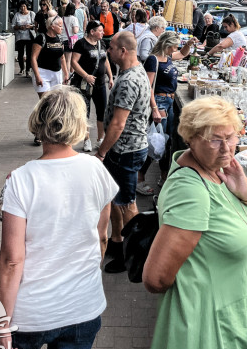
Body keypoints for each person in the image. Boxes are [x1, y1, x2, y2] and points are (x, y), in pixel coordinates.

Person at [142, 96, 247, 349]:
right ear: (191, 139)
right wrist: (198, 290)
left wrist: (244, 188)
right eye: (215, 140)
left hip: (236, 319)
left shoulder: (220, 172)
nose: (227, 148)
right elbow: (155, 278)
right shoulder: (192, 191)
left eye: (231, 137)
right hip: (209, 329)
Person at [0, 87, 118, 349]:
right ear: (79, 124)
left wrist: (1, 327)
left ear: (38, 124)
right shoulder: (97, 170)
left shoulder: (21, 180)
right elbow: (101, 236)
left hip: (30, 312)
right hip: (82, 307)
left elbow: (12, 260)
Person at [96, 31, 151, 274]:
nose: (108, 52)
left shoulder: (128, 81)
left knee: (128, 205)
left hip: (125, 150)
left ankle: (136, 257)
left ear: (123, 51)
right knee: (116, 200)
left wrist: (102, 151)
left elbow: (118, 124)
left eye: (112, 48)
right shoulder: (134, 71)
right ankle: (118, 243)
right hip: (127, 148)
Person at [137, 32, 193, 195]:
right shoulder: (153, 60)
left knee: (166, 142)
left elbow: (182, 54)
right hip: (160, 102)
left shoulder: (167, 57)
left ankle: (164, 176)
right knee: (156, 142)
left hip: (168, 102)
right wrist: (154, 108)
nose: (175, 49)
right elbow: (147, 87)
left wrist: (188, 44)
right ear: (167, 45)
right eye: (174, 46)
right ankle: (140, 178)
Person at [71, 20, 114, 152]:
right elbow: (74, 62)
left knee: (102, 111)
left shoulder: (101, 43)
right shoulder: (81, 44)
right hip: (85, 84)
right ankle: (86, 139)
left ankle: (100, 139)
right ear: (92, 32)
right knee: (85, 112)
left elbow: (105, 60)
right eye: (100, 31)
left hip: (100, 83)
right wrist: (86, 75)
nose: (103, 33)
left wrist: (110, 77)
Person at [31, 15, 68, 102]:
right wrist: (37, 76)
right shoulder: (41, 38)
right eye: (60, 26)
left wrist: (66, 74)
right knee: (46, 101)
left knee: (56, 101)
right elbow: (33, 58)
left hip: (57, 73)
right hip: (43, 72)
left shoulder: (59, 39)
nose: (62, 28)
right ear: (52, 26)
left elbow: (62, 57)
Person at [12, 0, 36, 76]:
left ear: (27, 6)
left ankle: (28, 70)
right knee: (20, 54)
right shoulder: (17, 15)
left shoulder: (31, 14)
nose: (23, 8)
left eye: (24, 6)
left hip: (29, 36)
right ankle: (22, 68)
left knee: (29, 54)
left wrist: (30, 26)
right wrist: (19, 27)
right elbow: (13, 26)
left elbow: (35, 25)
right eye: (21, 6)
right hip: (20, 37)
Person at [59, 0, 80, 79]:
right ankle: (67, 77)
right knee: (68, 60)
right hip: (70, 41)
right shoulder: (74, 19)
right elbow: (75, 31)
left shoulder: (62, 18)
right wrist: (77, 28)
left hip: (62, 40)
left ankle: (63, 75)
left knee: (63, 59)